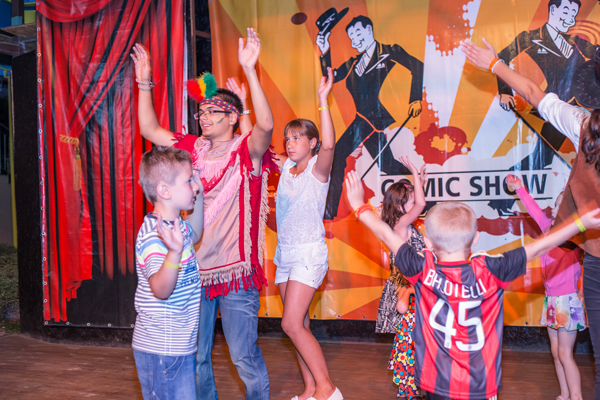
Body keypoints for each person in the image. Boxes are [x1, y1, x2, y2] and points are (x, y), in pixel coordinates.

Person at [345, 170, 600, 400]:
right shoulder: (489, 271)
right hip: (480, 384)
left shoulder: (424, 271)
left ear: (428, 243)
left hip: (436, 384)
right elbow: (540, 246)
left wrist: (359, 206)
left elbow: (385, 233)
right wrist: (579, 224)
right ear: (476, 238)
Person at [131, 27, 276, 400]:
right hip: (195, 272)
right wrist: (144, 83)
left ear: (232, 117)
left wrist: (251, 70)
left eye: (213, 111)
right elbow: (149, 128)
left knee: (243, 357)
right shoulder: (191, 148)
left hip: (235, 273)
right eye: (201, 111)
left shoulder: (246, 151)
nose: (203, 116)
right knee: (196, 358)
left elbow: (265, 126)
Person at [461, 38, 600, 399]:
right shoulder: (585, 125)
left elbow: (535, 94)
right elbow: (535, 94)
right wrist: (494, 65)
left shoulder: (584, 125)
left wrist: (495, 64)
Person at [271, 67, 342, 400]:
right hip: (285, 254)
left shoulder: (318, 170)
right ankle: (310, 389)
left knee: (290, 324)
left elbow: (330, 146)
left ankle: (328, 389)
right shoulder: (287, 168)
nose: (290, 143)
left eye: (297, 137)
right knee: (299, 326)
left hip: (308, 254)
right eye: (288, 138)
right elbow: (258, 143)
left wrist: (323, 100)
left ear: (312, 143)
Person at [315, 14, 424, 220]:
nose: (354, 40)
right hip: (363, 119)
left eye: (357, 33)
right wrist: (325, 51)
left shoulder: (389, 51)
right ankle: (419, 182)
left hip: (374, 119)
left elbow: (417, 66)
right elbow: (330, 78)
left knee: (340, 157)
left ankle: (329, 212)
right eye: (351, 37)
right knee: (387, 165)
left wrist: (415, 99)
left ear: (368, 30)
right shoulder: (354, 62)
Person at [132, 146, 204, 399]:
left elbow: (196, 234)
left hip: (176, 347)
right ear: (164, 191)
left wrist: (199, 193)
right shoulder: (156, 236)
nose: (194, 187)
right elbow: (160, 289)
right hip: (162, 349)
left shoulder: (176, 225)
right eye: (188, 181)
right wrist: (174, 252)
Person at [506, 174, 585, 400]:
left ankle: (577, 396)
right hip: (551, 300)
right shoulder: (548, 229)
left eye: (561, 206)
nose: (555, 209)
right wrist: (519, 188)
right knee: (555, 352)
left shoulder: (573, 237)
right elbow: (534, 210)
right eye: (555, 204)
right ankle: (564, 394)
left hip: (566, 300)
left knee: (565, 354)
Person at [495, 0, 595, 169]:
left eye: (573, 15)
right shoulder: (529, 38)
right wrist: (505, 92)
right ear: (553, 9)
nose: (570, 19)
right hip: (549, 105)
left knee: (572, 158)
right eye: (566, 12)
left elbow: (596, 51)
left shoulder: (576, 41)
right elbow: (502, 58)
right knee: (548, 154)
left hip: (574, 108)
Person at [376, 162, 427, 334]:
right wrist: (414, 173)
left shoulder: (402, 223)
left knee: (415, 330)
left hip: (413, 279)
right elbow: (421, 204)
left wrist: (420, 182)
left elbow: (417, 202)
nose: (415, 206)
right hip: (405, 284)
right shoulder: (400, 224)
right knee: (409, 330)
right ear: (399, 207)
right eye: (412, 203)